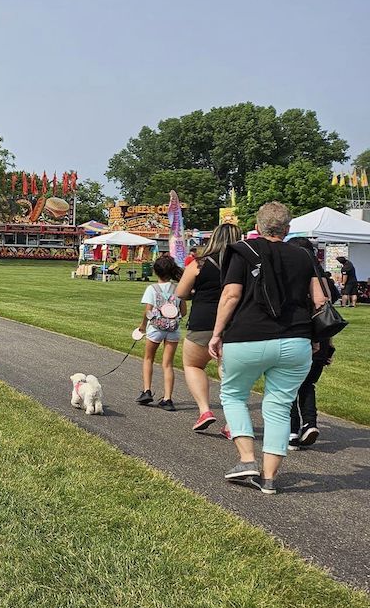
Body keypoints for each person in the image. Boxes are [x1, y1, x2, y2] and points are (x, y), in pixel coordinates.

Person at [209, 202, 328, 495]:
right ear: (287, 229)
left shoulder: (243, 251)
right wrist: (317, 338)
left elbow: (231, 294)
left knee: (234, 394)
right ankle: (270, 478)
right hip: (296, 340)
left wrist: (216, 333)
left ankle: (247, 459)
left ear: (258, 226)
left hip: (248, 336)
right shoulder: (303, 256)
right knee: (278, 406)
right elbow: (320, 300)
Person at [175, 222, 241, 432]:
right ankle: (233, 422)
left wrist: (196, 292)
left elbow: (181, 293)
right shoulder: (243, 263)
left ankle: (205, 410)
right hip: (235, 323)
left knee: (193, 365)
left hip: (203, 322)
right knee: (231, 375)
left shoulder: (199, 264)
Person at [288, 237, 334, 449]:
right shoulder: (323, 279)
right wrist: (328, 344)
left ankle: (291, 431)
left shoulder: (289, 277)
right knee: (308, 384)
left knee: (287, 386)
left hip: (296, 334)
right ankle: (310, 423)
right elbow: (327, 314)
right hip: (320, 337)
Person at [136, 254, 184, 410]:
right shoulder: (178, 289)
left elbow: (147, 311)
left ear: (155, 272)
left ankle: (147, 390)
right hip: (173, 329)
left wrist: (143, 326)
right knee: (168, 364)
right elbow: (183, 310)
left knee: (148, 358)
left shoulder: (152, 289)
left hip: (156, 327)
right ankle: (168, 398)